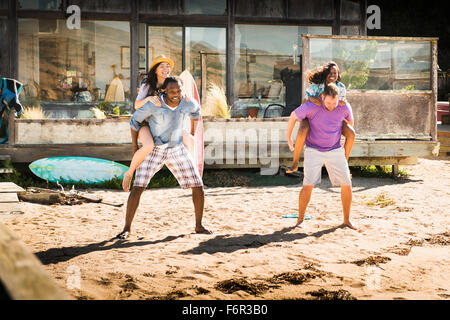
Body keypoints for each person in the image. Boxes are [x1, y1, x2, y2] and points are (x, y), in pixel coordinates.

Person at [116, 77, 211, 239]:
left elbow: (196, 112)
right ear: (164, 91)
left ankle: (198, 225)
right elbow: (134, 121)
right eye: (172, 91)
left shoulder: (186, 102)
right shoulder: (155, 104)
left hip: (176, 149)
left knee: (197, 185)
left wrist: (193, 134)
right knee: (138, 187)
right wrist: (134, 147)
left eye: (179, 90)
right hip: (155, 150)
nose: (176, 94)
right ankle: (126, 228)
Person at [286, 83, 357, 230]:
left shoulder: (343, 107)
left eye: (334, 102)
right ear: (323, 97)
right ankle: (300, 220)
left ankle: (347, 220)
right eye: (328, 102)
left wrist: (344, 136)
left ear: (339, 99)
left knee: (347, 184)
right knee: (308, 185)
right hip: (313, 150)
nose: (331, 105)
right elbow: (293, 116)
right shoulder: (312, 106)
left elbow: (350, 123)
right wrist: (288, 138)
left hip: (335, 150)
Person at [287, 61, 355, 173]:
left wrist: (343, 135)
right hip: (313, 116)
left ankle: (344, 165)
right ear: (325, 74)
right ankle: (295, 163)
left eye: (335, 73)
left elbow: (344, 106)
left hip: (332, 117)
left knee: (351, 133)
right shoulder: (317, 87)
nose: (333, 75)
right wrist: (313, 99)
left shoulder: (341, 87)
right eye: (330, 73)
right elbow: (304, 101)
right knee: (303, 129)